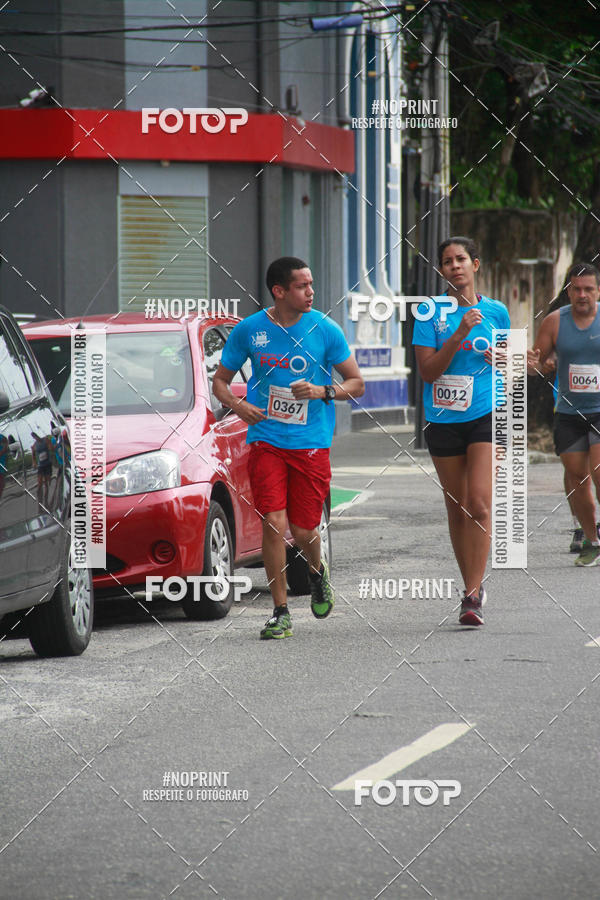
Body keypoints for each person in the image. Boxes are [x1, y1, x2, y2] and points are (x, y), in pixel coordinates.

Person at [212, 257, 364, 639]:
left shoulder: (325, 330)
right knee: (274, 523)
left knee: (304, 528)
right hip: (267, 440)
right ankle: (280, 612)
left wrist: (322, 391)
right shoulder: (250, 330)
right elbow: (220, 383)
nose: (311, 292)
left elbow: (357, 383)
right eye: (302, 286)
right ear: (279, 291)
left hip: (311, 442)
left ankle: (316, 571)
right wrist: (240, 406)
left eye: (311, 284)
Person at [413, 236, 511, 626]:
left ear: (476, 265)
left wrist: (503, 358)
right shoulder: (428, 313)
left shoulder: (497, 311)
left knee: (480, 503)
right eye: (447, 261)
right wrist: (457, 335)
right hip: (444, 418)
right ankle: (468, 583)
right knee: (456, 508)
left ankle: (472, 595)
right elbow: (428, 372)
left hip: (488, 411)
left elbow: (510, 363)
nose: (455, 266)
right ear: (441, 270)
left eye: (461, 259)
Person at [527, 262, 600, 566]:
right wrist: (540, 365)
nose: (582, 295)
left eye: (588, 289)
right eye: (576, 289)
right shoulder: (555, 322)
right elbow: (536, 364)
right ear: (569, 290)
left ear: (598, 291)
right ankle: (591, 539)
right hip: (568, 412)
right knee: (577, 477)